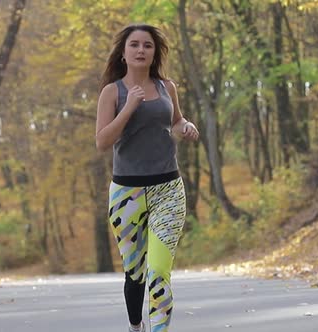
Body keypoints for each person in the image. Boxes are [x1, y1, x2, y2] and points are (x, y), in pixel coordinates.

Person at [95, 24, 199, 332]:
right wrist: (128, 108)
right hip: (125, 193)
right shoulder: (112, 92)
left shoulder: (167, 86)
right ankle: (136, 326)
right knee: (135, 272)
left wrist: (186, 126)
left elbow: (176, 121)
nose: (141, 50)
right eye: (135, 45)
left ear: (155, 53)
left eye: (148, 46)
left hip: (168, 189)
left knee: (157, 271)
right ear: (124, 53)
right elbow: (102, 142)